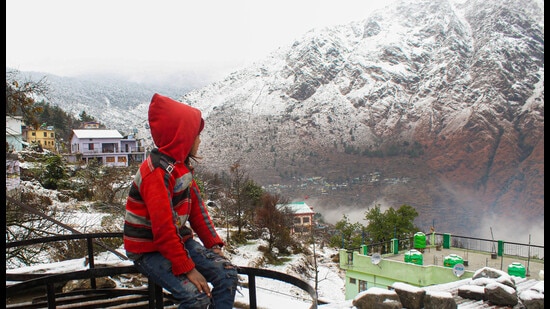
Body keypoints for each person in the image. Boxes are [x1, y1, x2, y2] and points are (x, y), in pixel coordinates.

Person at [123, 93, 238, 309]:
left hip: (177, 242)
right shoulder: (157, 173)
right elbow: (163, 228)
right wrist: (187, 268)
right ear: (182, 136)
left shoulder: (179, 167)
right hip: (148, 249)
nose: (199, 140)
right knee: (196, 298)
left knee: (227, 275)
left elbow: (197, 211)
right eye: (196, 135)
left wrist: (213, 244)